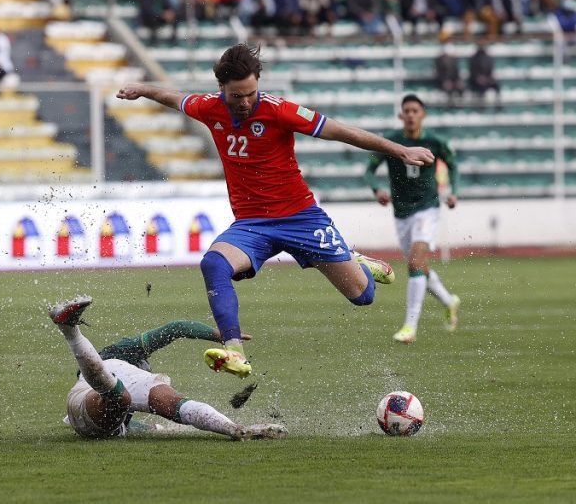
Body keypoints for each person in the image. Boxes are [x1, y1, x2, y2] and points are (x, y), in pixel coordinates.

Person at [117, 44, 435, 379]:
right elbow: (173, 97)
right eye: (237, 96)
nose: (245, 102)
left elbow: (342, 132)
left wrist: (398, 150)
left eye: (251, 93)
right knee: (213, 263)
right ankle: (234, 351)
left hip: (301, 217)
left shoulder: (280, 110)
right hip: (252, 225)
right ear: (221, 88)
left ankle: (355, 259)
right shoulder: (209, 107)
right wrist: (142, 90)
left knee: (363, 296)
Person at [49, 296, 287, 440]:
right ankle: (70, 330)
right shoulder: (121, 352)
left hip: (105, 417)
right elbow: (177, 327)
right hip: (84, 403)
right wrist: (226, 336)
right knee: (120, 397)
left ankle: (237, 430)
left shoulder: (133, 382)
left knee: (172, 403)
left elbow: (133, 426)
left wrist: (157, 428)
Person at [363, 94, 460, 344]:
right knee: (420, 267)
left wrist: (453, 192)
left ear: (423, 114)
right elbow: (369, 170)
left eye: (415, 110)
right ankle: (449, 302)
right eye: (407, 110)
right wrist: (377, 189)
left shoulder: (435, 142)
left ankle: (410, 327)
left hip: (428, 208)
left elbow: (453, 165)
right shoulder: (391, 142)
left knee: (415, 263)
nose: (411, 115)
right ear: (400, 115)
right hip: (401, 213)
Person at [468, 42, 501, 109]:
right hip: (476, 80)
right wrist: (478, 78)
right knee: (481, 86)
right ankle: (481, 107)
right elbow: (472, 71)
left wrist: (489, 78)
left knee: (497, 85)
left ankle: (498, 105)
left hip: (487, 79)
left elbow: (490, 70)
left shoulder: (489, 58)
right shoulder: (473, 58)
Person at [434, 35, 464, 106]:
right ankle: (449, 107)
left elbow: (456, 72)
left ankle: (459, 105)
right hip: (443, 80)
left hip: (453, 79)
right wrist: (444, 81)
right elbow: (439, 73)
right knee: (448, 87)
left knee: (461, 86)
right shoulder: (440, 60)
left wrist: (457, 81)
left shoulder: (454, 60)